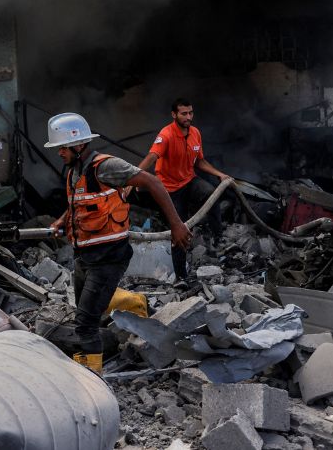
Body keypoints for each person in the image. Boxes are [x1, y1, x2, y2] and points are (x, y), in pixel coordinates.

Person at [45, 112, 191, 375]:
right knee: (86, 313)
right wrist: (61, 220)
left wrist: (176, 225)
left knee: (85, 323)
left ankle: (92, 379)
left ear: (79, 145)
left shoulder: (106, 166)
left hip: (109, 256)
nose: (59, 153)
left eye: (62, 148)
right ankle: (96, 355)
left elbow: (152, 181)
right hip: (85, 256)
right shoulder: (74, 172)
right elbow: (79, 204)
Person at [127, 98, 229, 280]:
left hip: (190, 181)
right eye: (184, 113)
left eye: (190, 113)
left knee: (212, 193)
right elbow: (151, 157)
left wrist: (219, 174)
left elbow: (200, 161)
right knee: (178, 230)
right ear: (174, 115)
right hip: (171, 190)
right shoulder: (166, 135)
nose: (188, 117)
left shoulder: (195, 133)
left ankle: (217, 238)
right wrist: (132, 179)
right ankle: (181, 278)